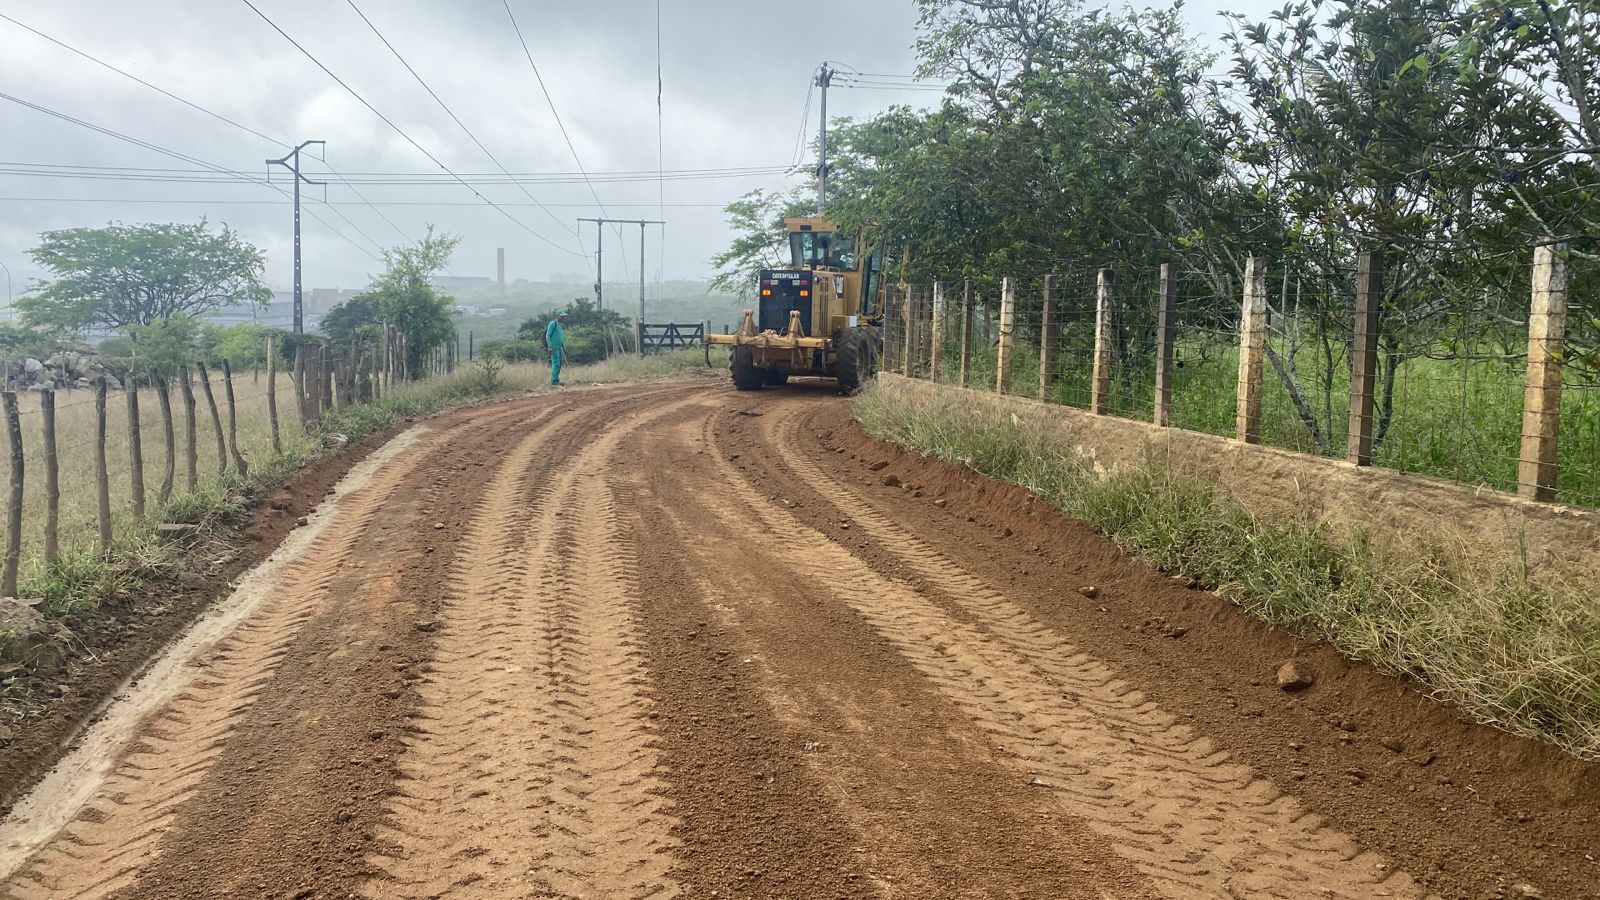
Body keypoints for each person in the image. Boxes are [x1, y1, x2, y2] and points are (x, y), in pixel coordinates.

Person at [545, 311, 566, 386]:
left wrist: (564, 347)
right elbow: (548, 335)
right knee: (556, 364)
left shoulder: (560, 325)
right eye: (562, 316)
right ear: (557, 316)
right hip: (554, 348)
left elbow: (561, 337)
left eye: (564, 316)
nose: (563, 318)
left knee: (559, 364)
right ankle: (554, 382)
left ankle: (556, 380)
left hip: (559, 348)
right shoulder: (552, 323)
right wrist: (550, 346)